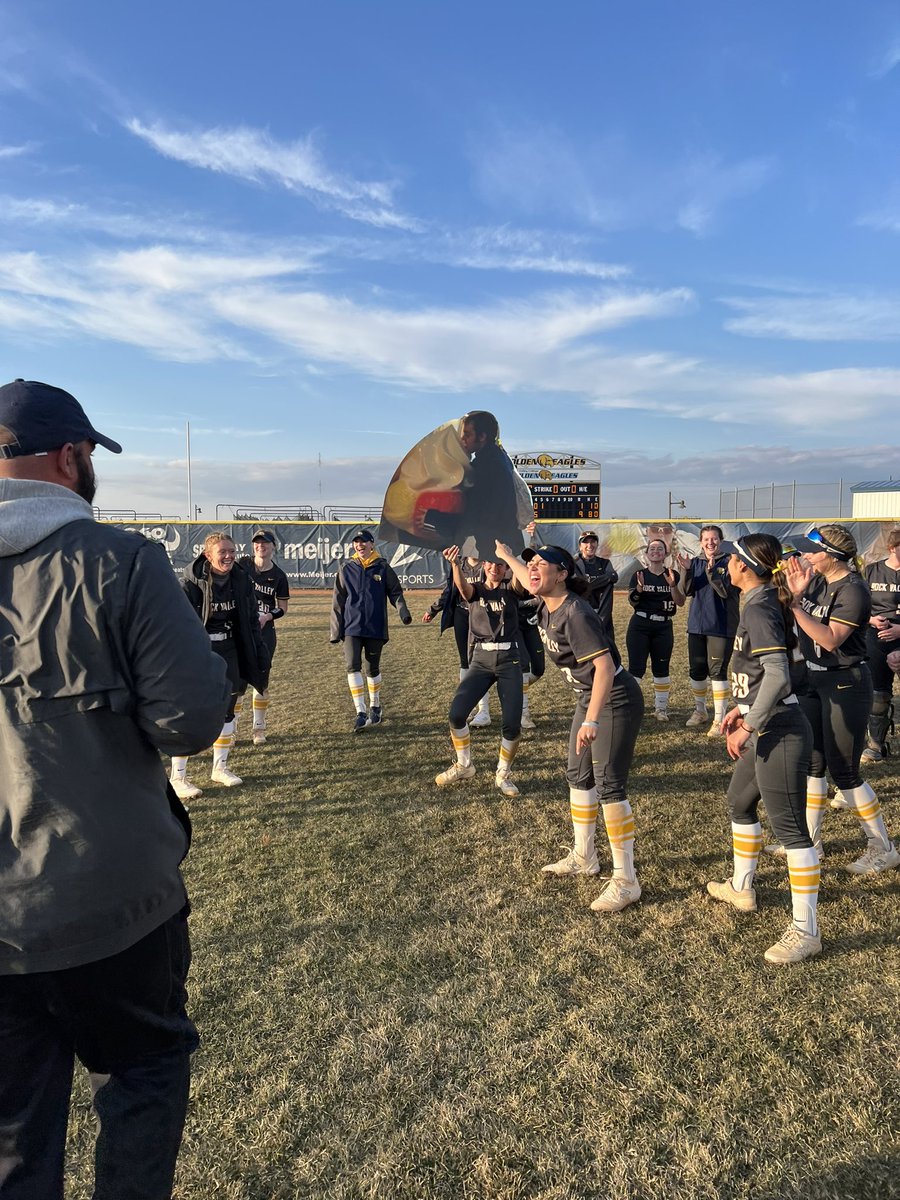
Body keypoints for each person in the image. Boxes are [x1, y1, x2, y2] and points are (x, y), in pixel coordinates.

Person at [0, 379, 231, 1199]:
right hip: (111, 901)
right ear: (71, 457)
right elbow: (191, 721)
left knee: (14, 1141)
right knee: (141, 1077)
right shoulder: (120, 561)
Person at [496, 541, 645, 912]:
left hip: (613, 698)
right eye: (530, 564)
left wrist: (593, 718)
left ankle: (626, 881)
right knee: (578, 776)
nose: (532, 569)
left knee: (609, 785)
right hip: (588, 697)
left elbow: (606, 668)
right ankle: (584, 857)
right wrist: (507, 555)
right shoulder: (548, 601)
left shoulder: (575, 612)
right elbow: (524, 575)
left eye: (541, 564)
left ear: (562, 574)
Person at [705, 535, 821, 964]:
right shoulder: (759, 598)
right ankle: (741, 887)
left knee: (791, 831)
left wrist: (748, 722)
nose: (727, 563)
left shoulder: (759, 605)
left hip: (780, 727)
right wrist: (741, 708)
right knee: (739, 802)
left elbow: (778, 676)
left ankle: (807, 931)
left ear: (746, 565)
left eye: (733, 557)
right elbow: (759, 673)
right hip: (766, 723)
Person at [785, 525, 899, 874]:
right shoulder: (817, 581)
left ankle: (883, 847)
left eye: (812, 550)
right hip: (812, 680)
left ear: (832, 556)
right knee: (814, 765)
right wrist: (793, 594)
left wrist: (794, 605)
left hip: (844, 682)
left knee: (845, 771)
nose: (805, 555)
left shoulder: (854, 589)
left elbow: (831, 639)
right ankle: (812, 844)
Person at [169, 533, 270, 796]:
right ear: (207, 555)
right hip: (201, 651)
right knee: (190, 710)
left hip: (230, 648)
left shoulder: (241, 579)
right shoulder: (190, 584)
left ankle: (219, 768)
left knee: (228, 707)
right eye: (222, 551)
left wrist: (257, 651)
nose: (228, 556)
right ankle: (178, 777)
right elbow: (178, 626)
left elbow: (249, 620)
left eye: (232, 551)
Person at [434, 547, 524, 796]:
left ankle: (503, 774)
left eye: (500, 565)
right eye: (491, 564)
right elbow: (463, 590)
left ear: (506, 568)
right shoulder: (477, 590)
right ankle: (464, 765)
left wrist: (510, 556)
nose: (495, 568)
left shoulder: (512, 589)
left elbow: (520, 579)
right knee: (456, 715)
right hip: (481, 659)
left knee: (512, 724)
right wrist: (454, 564)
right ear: (483, 566)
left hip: (509, 659)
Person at [331, 529, 412, 732]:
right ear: (353, 546)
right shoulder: (346, 567)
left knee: (372, 669)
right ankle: (361, 712)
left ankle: (375, 705)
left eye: (364, 542)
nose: (360, 545)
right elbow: (338, 600)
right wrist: (335, 630)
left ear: (372, 544)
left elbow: (395, 592)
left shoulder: (382, 566)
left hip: (375, 626)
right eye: (357, 542)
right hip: (351, 627)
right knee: (352, 666)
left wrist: (403, 612)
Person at [677, 525, 739, 735]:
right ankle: (700, 710)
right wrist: (685, 570)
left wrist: (712, 573)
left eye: (714, 539)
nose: (710, 543)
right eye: (706, 539)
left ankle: (719, 720)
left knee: (717, 672)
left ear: (720, 541)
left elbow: (725, 592)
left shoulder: (731, 562)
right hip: (697, 625)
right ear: (701, 542)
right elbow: (685, 591)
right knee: (697, 670)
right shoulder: (694, 562)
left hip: (721, 626)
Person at [423, 554, 493, 726]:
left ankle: (484, 711)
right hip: (462, 615)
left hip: (483, 615)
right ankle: (470, 707)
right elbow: (450, 589)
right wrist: (433, 609)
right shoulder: (459, 563)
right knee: (465, 662)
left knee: (481, 661)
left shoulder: (489, 563)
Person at [237, 529, 290, 745]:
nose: (261, 546)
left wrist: (268, 616)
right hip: (240, 630)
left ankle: (258, 728)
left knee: (261, 680)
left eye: (265, 543)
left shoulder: (278, 576)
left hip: (264, 633)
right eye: (257, 543)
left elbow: (283, 608)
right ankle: (231, 729)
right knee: (237, 682)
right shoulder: (243, 564)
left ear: (273, 547)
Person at [625, 537, 684, 721]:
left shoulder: (673, 574)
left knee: (661, 668)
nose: (656, 551)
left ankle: (661, 709)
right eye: (652, 548)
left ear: (665, 553)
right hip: (640, 625)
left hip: (663, 626)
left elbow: (680, 602)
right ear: (647, 553)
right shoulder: (638, 575)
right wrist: (640, 589)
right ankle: (630, 708)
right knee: (636, 668)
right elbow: (632, 601)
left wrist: (673, 585)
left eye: (660, 548)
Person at [861, 527, 900, 763]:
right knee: (878, 693)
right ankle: (875, 745)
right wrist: (870, 619)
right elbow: (856, 604)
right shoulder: (872, 571)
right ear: (892, 548)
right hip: (876, 636)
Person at [573, 531, 619, 641]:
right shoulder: (574, 563)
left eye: (593, 541)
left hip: (604, 615)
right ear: (580, 546)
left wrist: (588, 582)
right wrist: (601, 581)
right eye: (586, 542)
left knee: (607, 649)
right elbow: (578, 586)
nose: (590, 545)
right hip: (583, 614)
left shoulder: (604, 563)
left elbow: (613, 577)